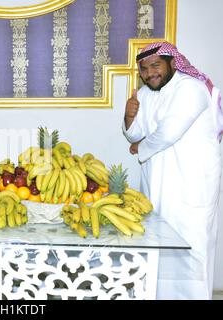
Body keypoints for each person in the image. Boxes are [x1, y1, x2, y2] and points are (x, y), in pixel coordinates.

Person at [122, 41, 223, 299]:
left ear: (172, 62)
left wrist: (139, 147)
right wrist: (129, 117)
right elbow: (134, 134)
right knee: (157, 253)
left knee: (190, 255)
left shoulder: (192, 89)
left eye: (155, 65)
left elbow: (167, 133)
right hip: (156, 185)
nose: (149, 73)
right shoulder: (146, 94)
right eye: (143, 69)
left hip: (190, 185)